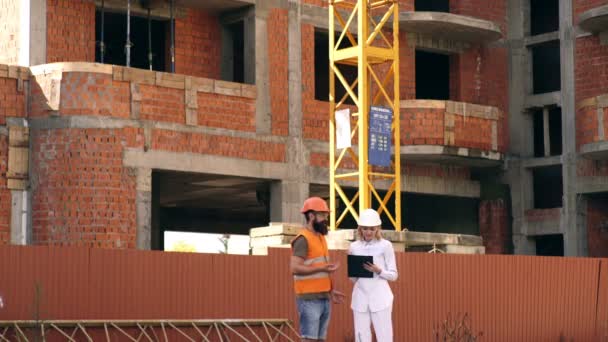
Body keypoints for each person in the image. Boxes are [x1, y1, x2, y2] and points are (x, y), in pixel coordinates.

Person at [290, 197, 346, 341]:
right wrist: (321, 268)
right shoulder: (303, 239)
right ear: (311, 215)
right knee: (309, 339)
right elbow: (295, 268)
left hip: (323, 298)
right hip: (309, 300)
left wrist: (330, 291)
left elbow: (322, 270)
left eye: (326, 215)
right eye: (322, 215)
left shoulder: (320, 237)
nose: (325, 219)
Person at [348, 209, 398, 342]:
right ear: (360, 229)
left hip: (381, 298)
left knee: (384, 337)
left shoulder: (386, 245)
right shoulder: (353, 247)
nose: (368, 232)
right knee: (361, 337)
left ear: (377, 228)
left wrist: (378, 270)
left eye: (372, 228)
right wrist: (351, 263)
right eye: (365, 228)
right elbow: (353, 279)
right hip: (360, 298)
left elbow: (393, 275)